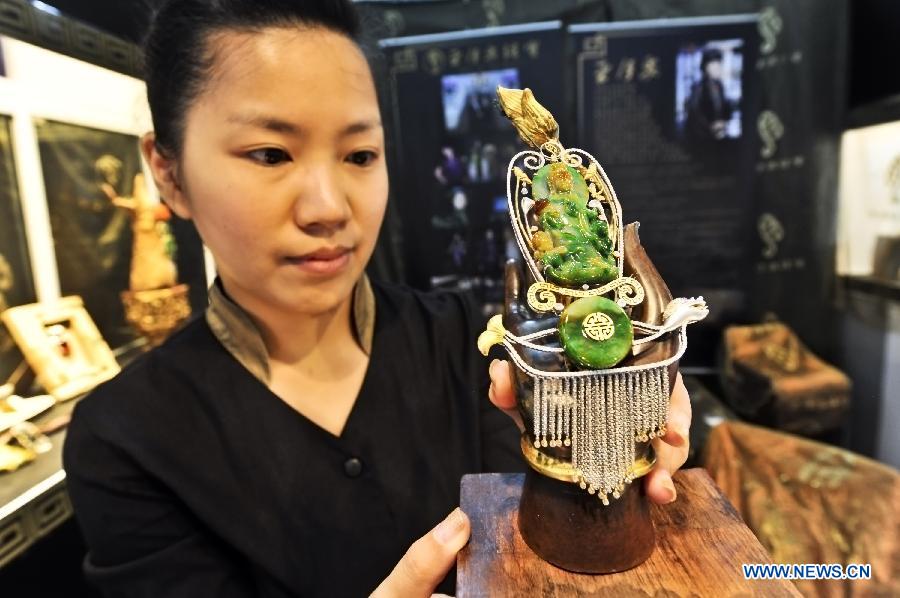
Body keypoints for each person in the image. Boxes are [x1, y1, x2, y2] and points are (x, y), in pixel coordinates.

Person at [62, 1, 692, 596]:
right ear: (168, 172)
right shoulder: (125, 438)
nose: (329, 208)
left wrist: (627, 410)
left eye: (360, 154)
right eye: (270, 153)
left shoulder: (468, 344)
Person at [684, 48, 734, 142]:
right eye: (714, 64)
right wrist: (711, 126)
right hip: (702, 137)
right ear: (705, 67)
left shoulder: (720, 85)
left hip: (719, 134)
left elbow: (723, 109)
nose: (718, 67)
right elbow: (694, 114)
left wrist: (723, 121)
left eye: (719, 64)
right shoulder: (698, 87)